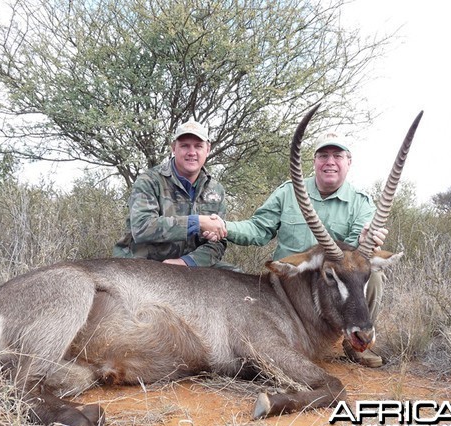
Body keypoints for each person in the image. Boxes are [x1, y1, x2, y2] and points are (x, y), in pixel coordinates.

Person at [204, 131, 388, 367]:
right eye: (323, 155)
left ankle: (355, 338)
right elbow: (259, 229)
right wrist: (224, 227)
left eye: (337, 155)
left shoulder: (361, 203)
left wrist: (364, 243)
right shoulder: (289, 191)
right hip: (287, 286)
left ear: (348, 162)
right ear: (315, 162)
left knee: (373, 275)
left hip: (328, 282)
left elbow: (351, 262)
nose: (330, 161)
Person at [113, 118, 228, 267]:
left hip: (190, 267)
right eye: (185, 146)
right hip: (144, 264)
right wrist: (196, 223)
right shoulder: (149, 181)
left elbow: (218, 244)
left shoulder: (216, 190)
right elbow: (142, 228)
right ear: (174, 148)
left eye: (198, 146)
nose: (192, 152)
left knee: (241, 280)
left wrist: (186, 262)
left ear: (208, 149)